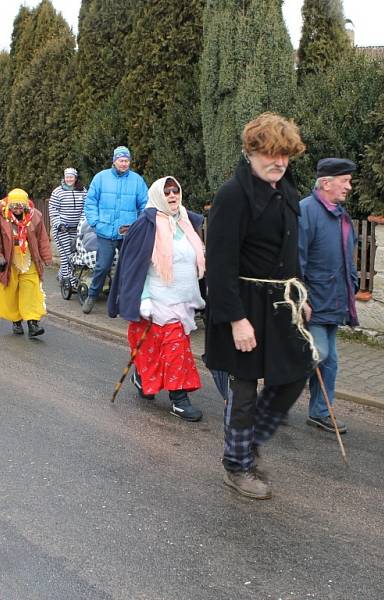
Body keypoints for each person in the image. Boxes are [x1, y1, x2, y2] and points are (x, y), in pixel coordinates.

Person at [205, 112, 317, 500]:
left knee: (296, 372)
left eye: (285, 155)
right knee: (244, 390)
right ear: (250, 151)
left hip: (281, 305)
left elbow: (289, 251)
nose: (280, 162)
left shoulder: (285, 189)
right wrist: (236, 319)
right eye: (271, 154)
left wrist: (299, 294)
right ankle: (236, 465)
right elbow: (219, 264)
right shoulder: (232, 195)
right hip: (243, 304)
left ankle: (251, 441)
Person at [108, 176, 205, 421]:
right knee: (174, 350)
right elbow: (133, 266)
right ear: (158, 196)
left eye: (176, 191)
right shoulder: (146, 225)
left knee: (156, 351)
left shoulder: (186, 221)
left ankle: (141, 377)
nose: (172, 196)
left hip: (183, 301)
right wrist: (144, 300)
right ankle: (179, 399)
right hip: (157, 302)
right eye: (167, 192)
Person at [298, 158, 360, 434]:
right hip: (313, 302)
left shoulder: (341, 216)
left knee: (329, 359)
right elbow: (295, 259)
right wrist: (301, 299)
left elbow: (349, 256)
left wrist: (353, 283)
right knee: (318, 354)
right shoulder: (306, 212)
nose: (349, 186)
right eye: (344, 180)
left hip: (334, 300)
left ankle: (320, 412)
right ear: (326, 183)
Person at [82, 146, 148, 314]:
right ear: (114, 161)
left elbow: (145, 205)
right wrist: (95, 223)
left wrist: (138, 225)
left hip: (128, 232)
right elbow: (90, 202)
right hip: (105, 231)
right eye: (121, 160)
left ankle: (124, 299)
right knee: (102, 266)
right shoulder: (100, 178)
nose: (124, 163)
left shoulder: (137, 180)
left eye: (127, 161)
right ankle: (92, 295)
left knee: (128, 267)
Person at [0, 188, 52, 337]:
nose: (17, 208)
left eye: (20, 205)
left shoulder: (35, 216)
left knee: (31, 289)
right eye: (14, 205)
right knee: (10, 290)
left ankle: (33, 323)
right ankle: (16, 322)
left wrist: (46, 257)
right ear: (9, 204)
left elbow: (42, 238)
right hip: (8, 260)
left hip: (29, 257)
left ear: (26, 205)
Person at [49, 167, 87, 288]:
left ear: (75, 178)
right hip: (62, 229)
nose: (69, 179)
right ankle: (67, 281)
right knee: (66, 256)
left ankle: (62, 275)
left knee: (74, 255)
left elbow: (86, 208)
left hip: (77, 229)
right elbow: (53, 210)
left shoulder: (82, 190)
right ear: (64, 178)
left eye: (71, 177)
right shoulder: (57, 192)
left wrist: (82, 222)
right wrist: (59, 223)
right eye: (67, 177)